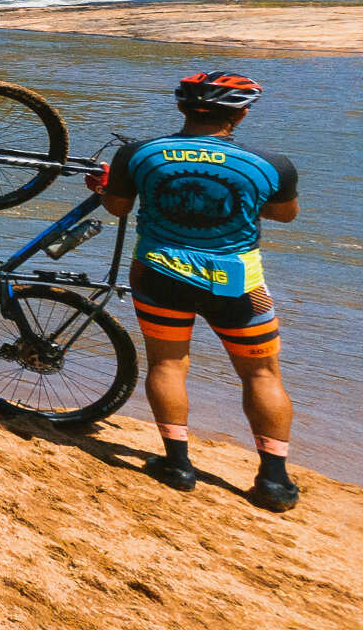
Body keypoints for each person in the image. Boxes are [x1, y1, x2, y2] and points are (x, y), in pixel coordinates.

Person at [94, 71, 301, 511]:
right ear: (241, 114)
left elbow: (117, 206)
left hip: (159, 275)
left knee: (168, 366)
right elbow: (285, 216)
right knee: (263, 374)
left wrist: (103, 186)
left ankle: (178, 465)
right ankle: (275, 480)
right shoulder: (272, 164)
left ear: (181, 108)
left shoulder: (137, 154)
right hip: (239, 285)